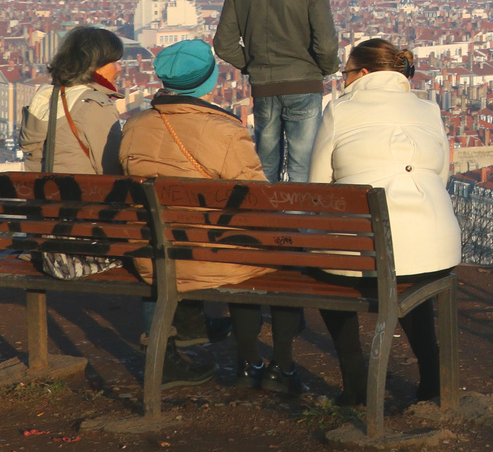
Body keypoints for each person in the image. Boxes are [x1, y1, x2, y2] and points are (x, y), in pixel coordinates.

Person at [121, 39, 306, 394]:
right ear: (209, 81)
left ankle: (248, 363)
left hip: (152, 256)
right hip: (209, 256)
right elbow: (255, 199)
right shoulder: (223, 130)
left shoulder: (134, 125)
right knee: (282, 250)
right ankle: (279, 364)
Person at [311, 39, 461, 406]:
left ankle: (356, 382)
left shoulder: (338, 111)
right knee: (410, 274)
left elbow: (317, 187)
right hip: (434, 246)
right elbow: (440, 176)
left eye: (345, 73)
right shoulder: (428, 109)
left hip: (360, 252)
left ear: (362, 73)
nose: (342, 80)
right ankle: (431, 377)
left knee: (329, 275)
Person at [213, 0, 340, 183]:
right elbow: (326, 44)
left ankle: (267, 223)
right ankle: (299, 224)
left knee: (266, 169)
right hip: (304, 86)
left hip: (264, 87)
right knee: (302, 170)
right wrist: (324, 69)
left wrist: (253, 64)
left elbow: (223, 44)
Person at [20, 27, 126, 281]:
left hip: (42, 237)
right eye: (113, 62)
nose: (119, 69)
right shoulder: (94, 106)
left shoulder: (42, 97)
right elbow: (112, 174)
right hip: (82, 243)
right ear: (95, 66)